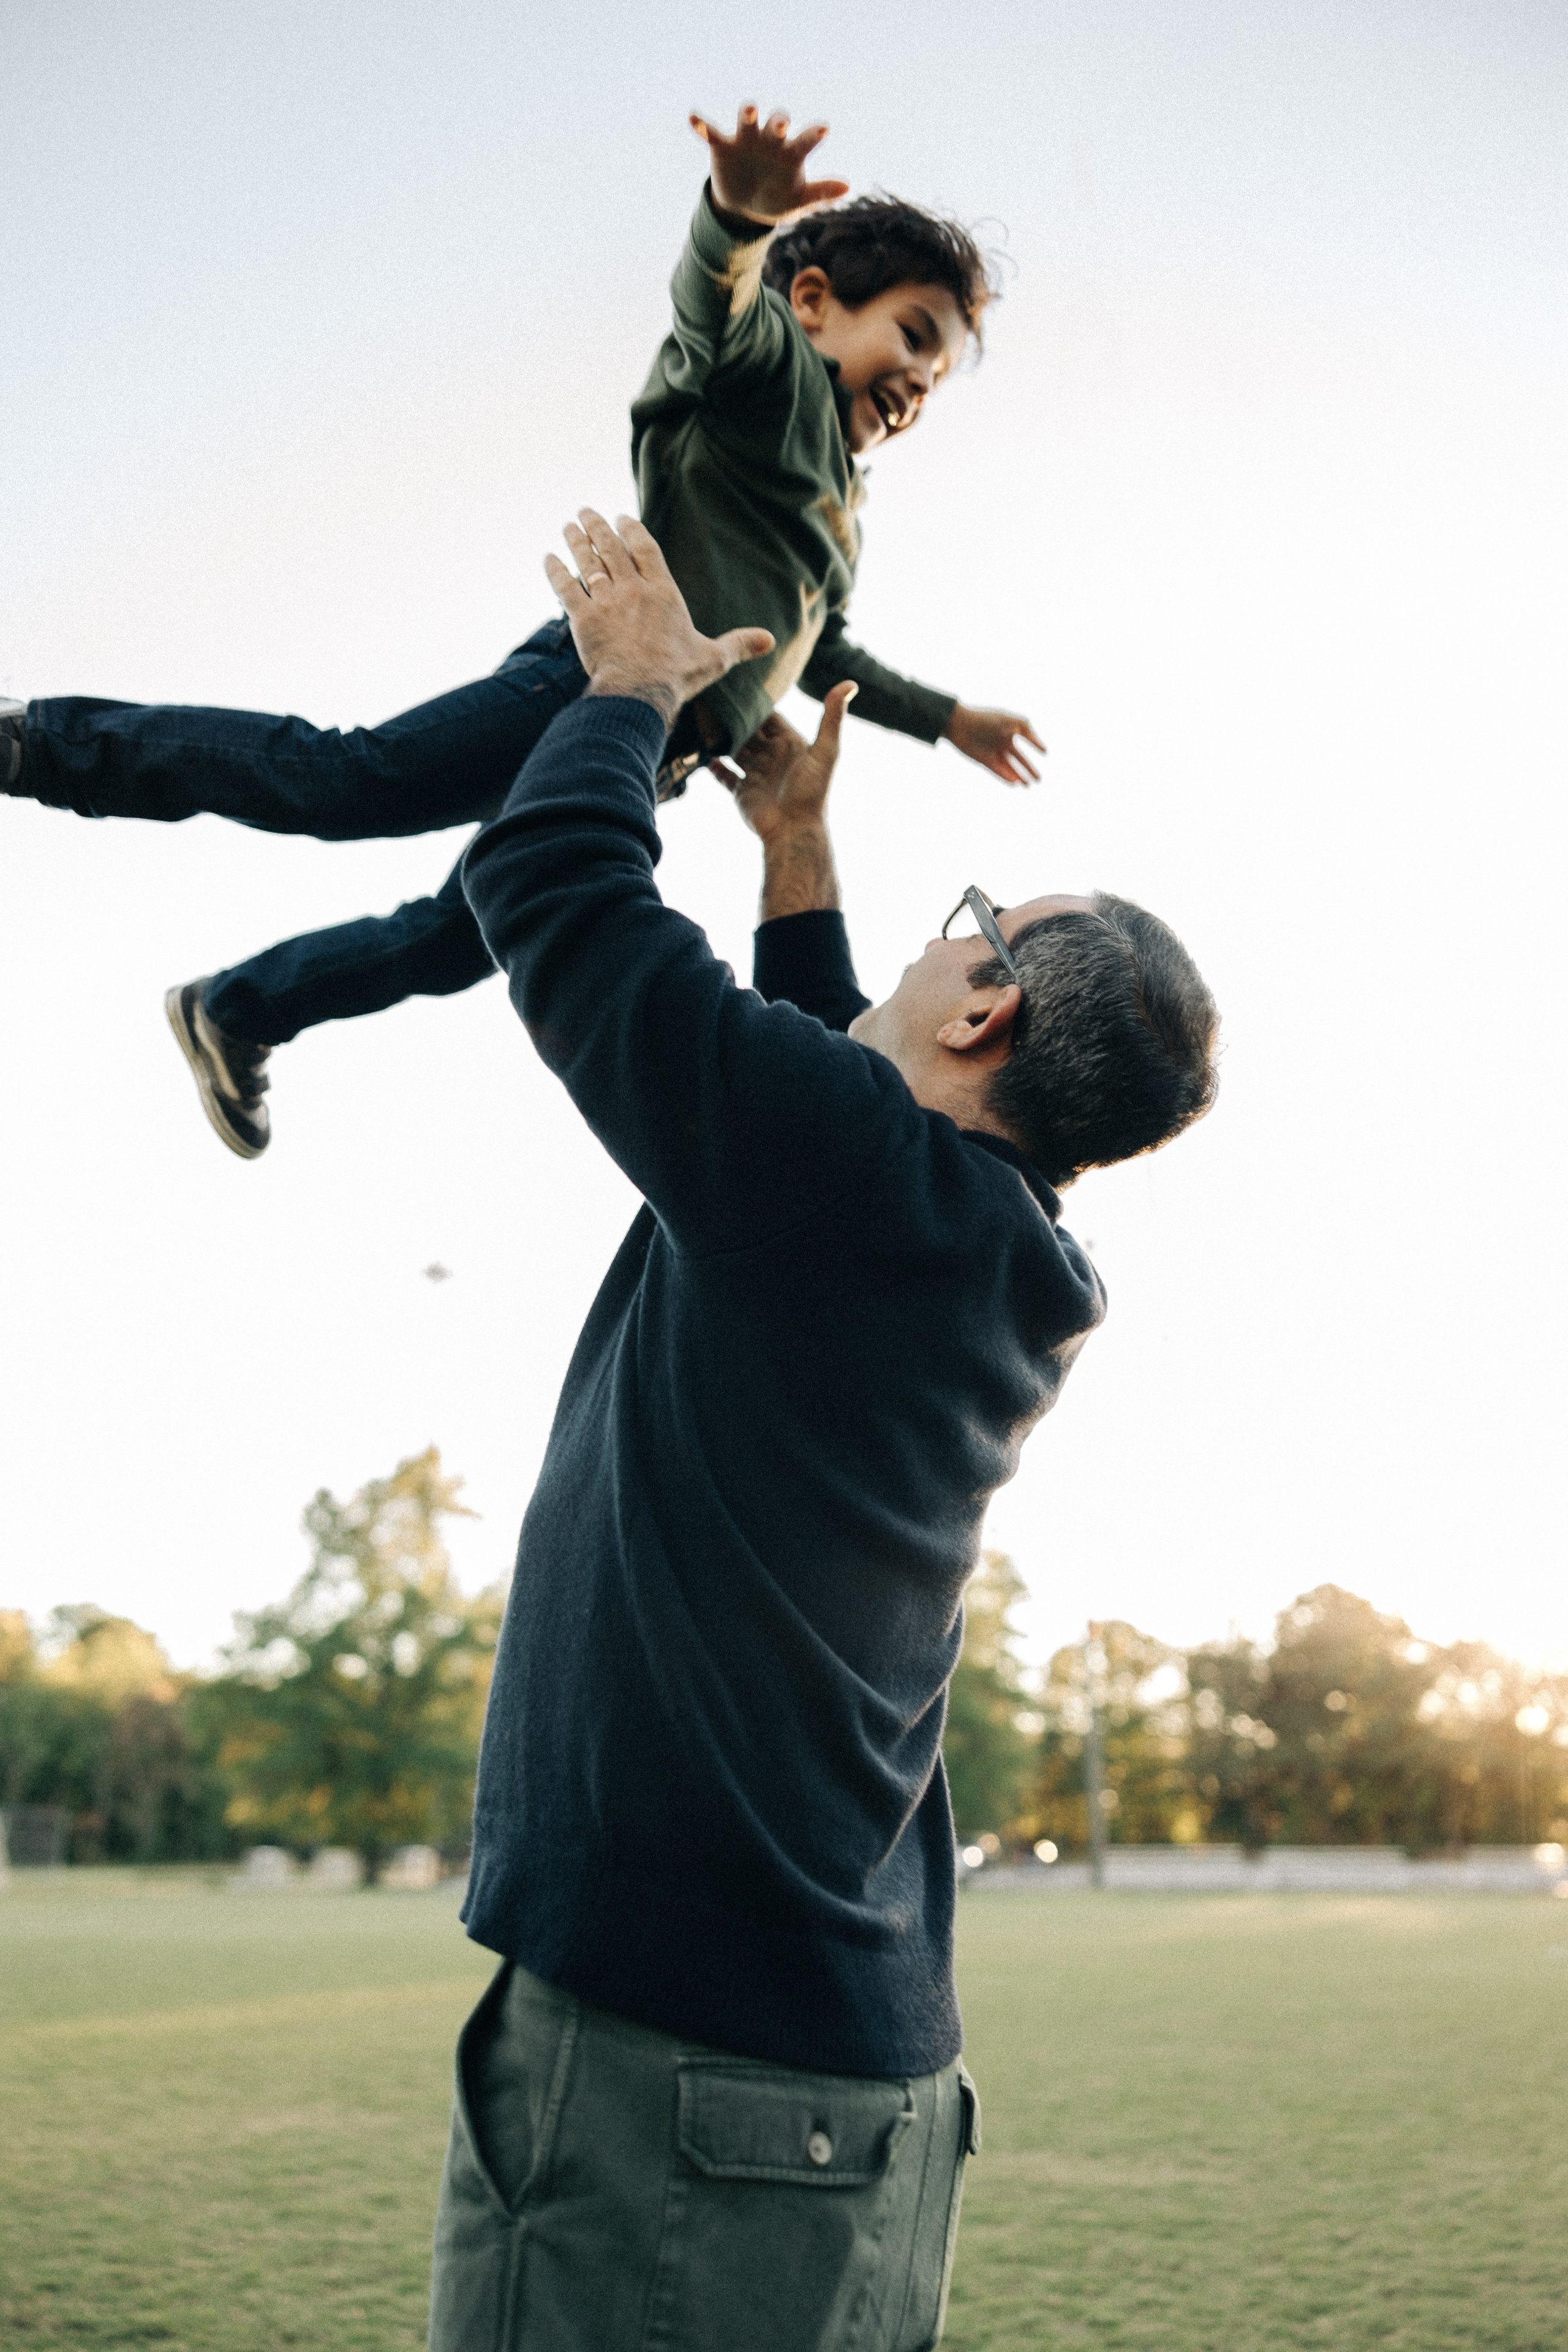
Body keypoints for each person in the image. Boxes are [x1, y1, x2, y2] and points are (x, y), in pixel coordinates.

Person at [426, 507, 1219, 2350]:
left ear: (989, 1003)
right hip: (846, 2098)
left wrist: (627, 691)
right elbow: (810, 1108)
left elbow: (549, 889)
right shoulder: (982, 1244)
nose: (948, 942)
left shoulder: (852, 1188)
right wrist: (798, 851)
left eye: (975, 927)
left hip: (681, 2088)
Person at [0, 104, 1044, 1161]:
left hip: (649, 755)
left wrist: (947, 719)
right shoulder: (770, 387)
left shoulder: (839, 510)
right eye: (916, 335)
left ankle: (238, 1009)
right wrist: (737, 221)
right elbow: (714, 316)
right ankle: (38, 742)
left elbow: (825, 645)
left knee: (462, 936)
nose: (920, 382)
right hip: (585, 689)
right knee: (352, 780)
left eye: (940, 376)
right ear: (815, 304)